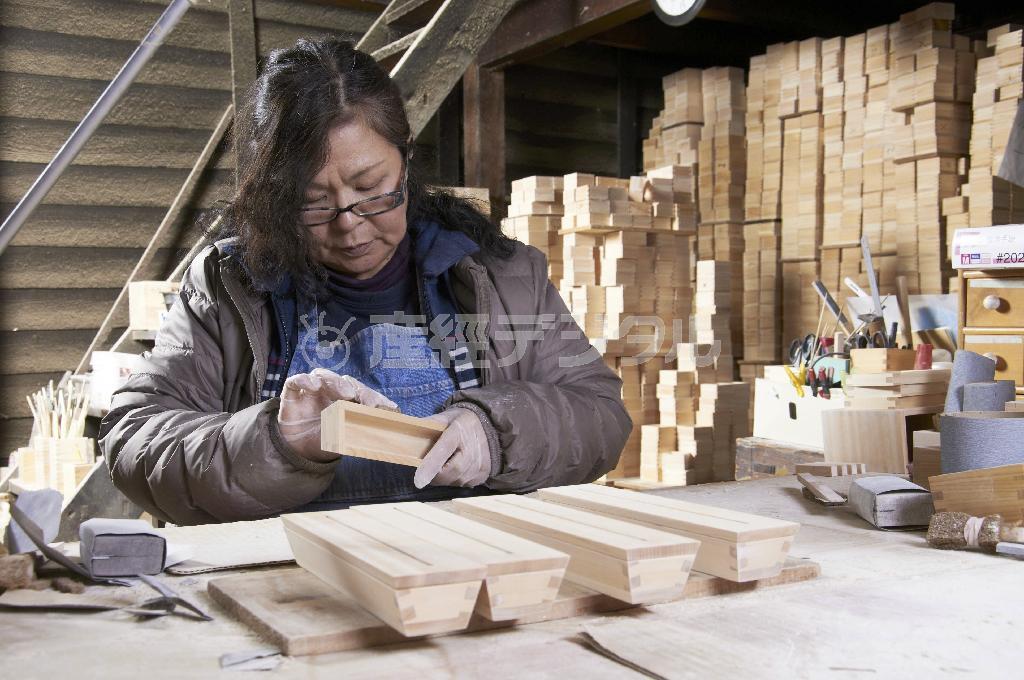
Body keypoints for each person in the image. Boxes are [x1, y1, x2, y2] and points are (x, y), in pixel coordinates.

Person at [98, 37, 632, 525]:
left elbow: (602, 416)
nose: (349, 225)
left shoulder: (502, 274)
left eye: (371, 188)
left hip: (472, 569)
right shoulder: (227, 287)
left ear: (406, 159)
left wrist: (498, 429)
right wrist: (277, 441)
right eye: (314, 202)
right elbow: (132, 441)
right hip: (288, 578)